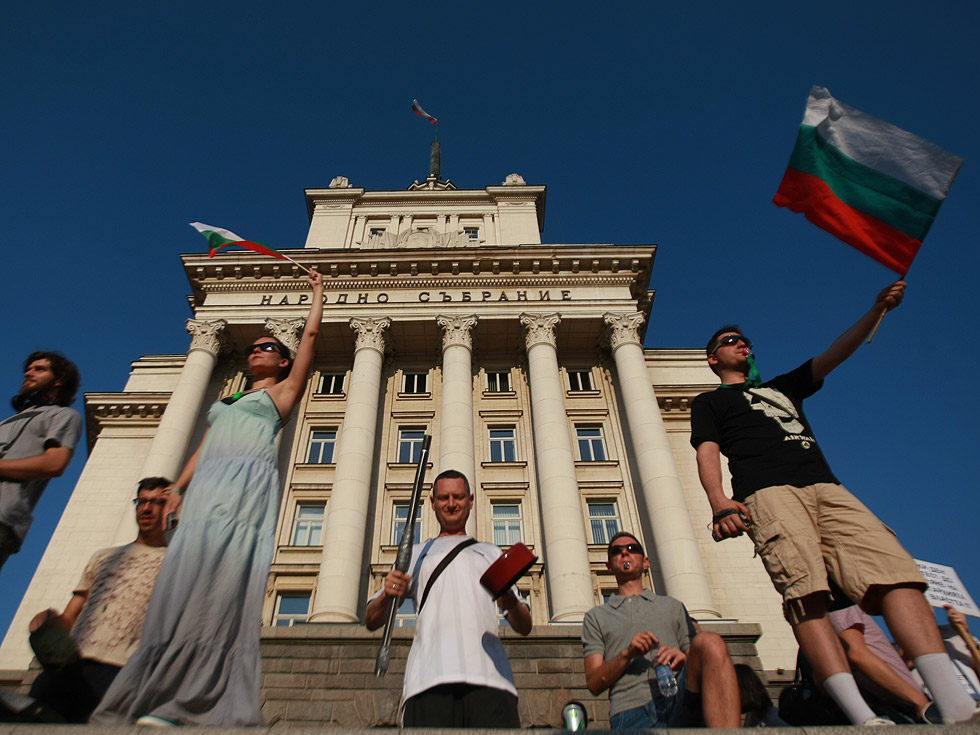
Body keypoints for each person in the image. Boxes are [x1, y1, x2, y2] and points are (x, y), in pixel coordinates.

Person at [690, 281, 979, 725]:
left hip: (828, 488)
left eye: (745, 340)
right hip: (768, 493)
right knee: (806, 596)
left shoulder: (785, 386)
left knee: (898, 576)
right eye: (730, 342)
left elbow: (836, 352)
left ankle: (955, 706)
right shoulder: (711, 402)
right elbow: (706, 451)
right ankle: (862, 716)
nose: (742, 344)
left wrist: (875, 308)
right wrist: (720, 502)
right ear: (713, 359)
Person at [91, 269, 324, 727]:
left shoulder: (284, 392)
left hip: (243, 488)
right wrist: (176, 488)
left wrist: (317, 293)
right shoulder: (229, 399)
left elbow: (312, 334)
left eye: (269, 347)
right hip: (206, 489)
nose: (257, 350)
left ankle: (196, 700)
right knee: (182, 584)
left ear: (281, 362)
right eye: (254, 346)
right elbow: (202, 446)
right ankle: (157, 692)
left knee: (220, 583)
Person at [365, 469, 532, 728]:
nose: (451, 504)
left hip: (491, 681)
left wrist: (510, 602)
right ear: (432, 503)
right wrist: (387, 595)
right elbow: (372, 620)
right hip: (428, 681)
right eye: (443, 498)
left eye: (458, 497)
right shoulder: (416, 553)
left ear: (471, 500)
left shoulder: (490, 552)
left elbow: (524, 625)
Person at [26, 477, 170, 722]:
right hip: (69, 666)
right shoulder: (103, 557)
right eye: (142, 501)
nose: (146, 508)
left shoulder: (176, 562)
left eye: (157, 502)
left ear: (171, 508)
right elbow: (70, 616)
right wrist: (49, 623)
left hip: (122, 671)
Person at [581, 531, 741, 729]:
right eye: (616, 551)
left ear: (646, 561)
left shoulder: (673, 607)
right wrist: (627, 654)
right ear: (608, 566)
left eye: (632, 549)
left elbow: (699, 660)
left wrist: (683, 658)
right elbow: (594, 683)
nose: (624, 553)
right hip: (631, 711)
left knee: (711, 642)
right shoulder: (596, 616)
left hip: (679, 700)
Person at [1, 352, 82, 571]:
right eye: (28, 368)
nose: (28, 372)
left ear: (59, 380)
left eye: (39, 369)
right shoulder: (6, 422)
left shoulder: (62, 416)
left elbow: (54, 464)